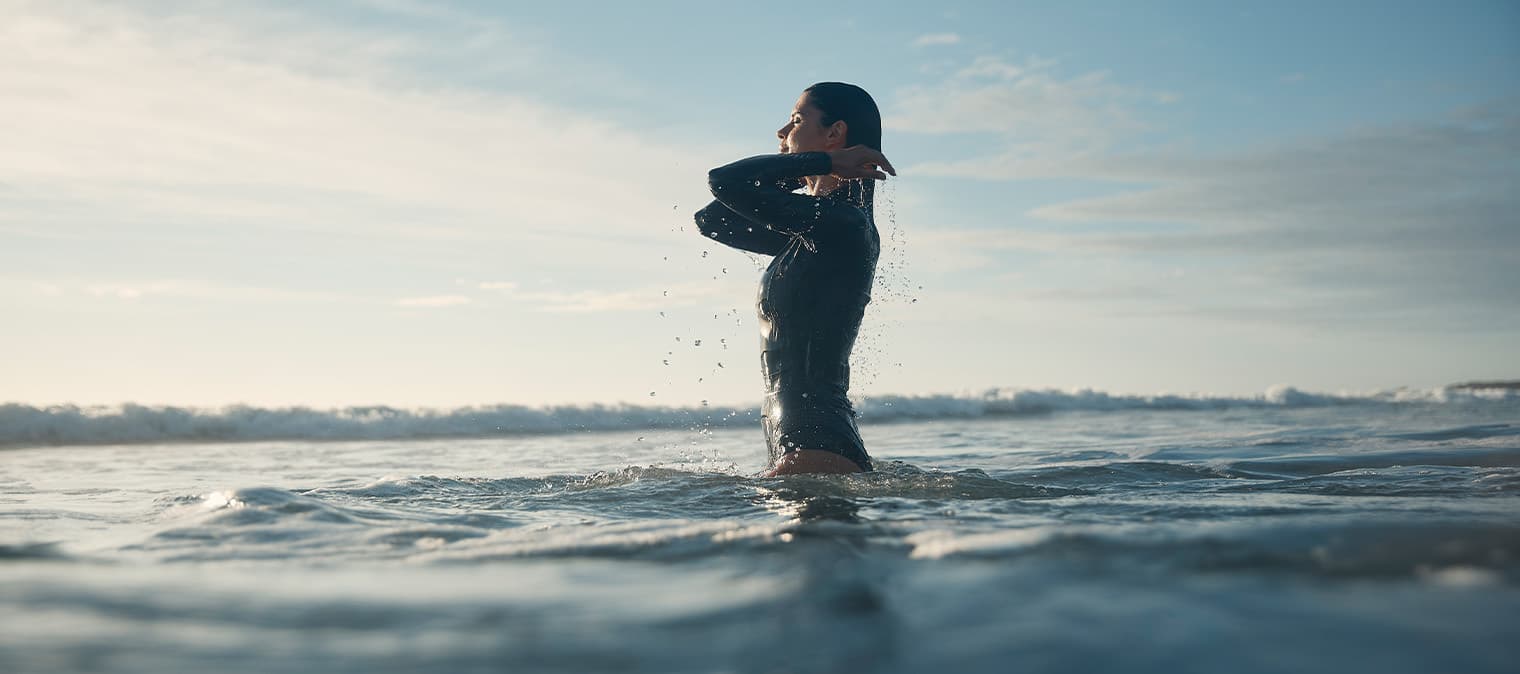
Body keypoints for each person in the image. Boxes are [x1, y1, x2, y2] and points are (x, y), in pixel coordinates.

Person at [693, 82, 895, 477]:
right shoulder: (813, 232)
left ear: (835, 133)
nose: (782, 133)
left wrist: (822, 164)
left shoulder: (843, 225)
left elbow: (724, 179)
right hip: (806, 443)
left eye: (797, 120)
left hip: (816, 443)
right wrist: (819, 168)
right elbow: (712, 218)